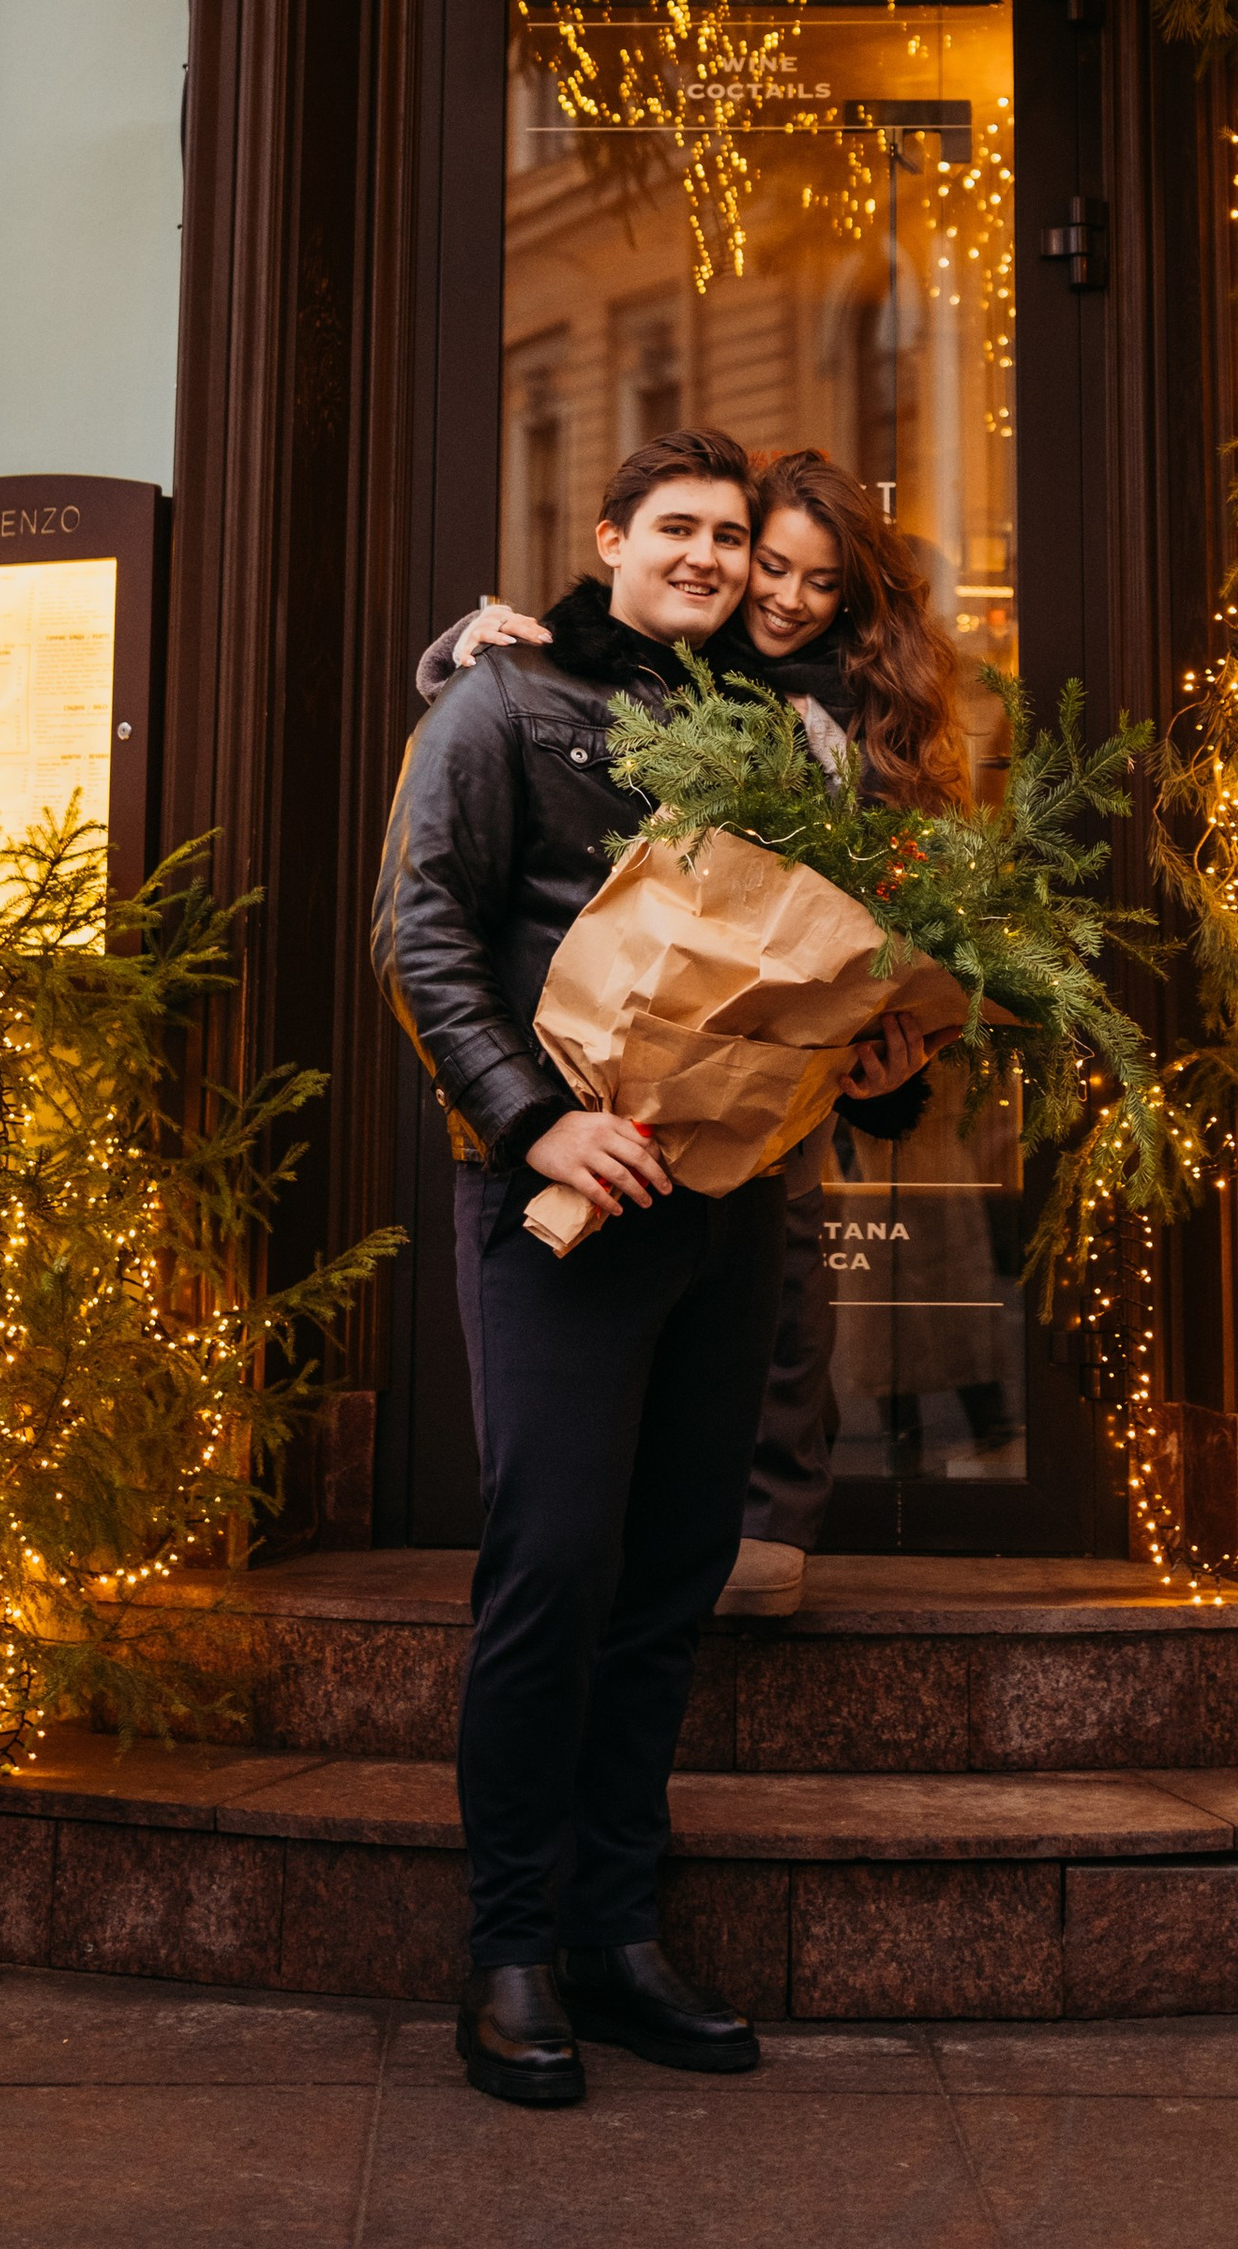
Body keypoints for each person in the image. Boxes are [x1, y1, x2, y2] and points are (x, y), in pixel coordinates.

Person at [374, 428, 934, 2108]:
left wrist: (886, 1071)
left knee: (673, 1572)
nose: (708, 557)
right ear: (608, 537)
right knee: (552, 1573)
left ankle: (618, 1937)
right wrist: (530, 1121)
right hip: (563, 1208)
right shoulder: (503, 699)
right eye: (676, 528)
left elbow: (813, 976)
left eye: (732, 537)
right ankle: (513, 1949)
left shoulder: (779, 736)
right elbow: (422, 929)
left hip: (727, 1208)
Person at [432, 444, 972, 1615]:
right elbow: (555, 694)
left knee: (777, 1284)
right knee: (564, 1519)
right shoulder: (662, 676)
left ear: (852, 599)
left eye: (814, 581)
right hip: (584, 1106)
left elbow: (884, 918)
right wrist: (464, 647)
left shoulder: (848, 722)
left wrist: (888, 1058)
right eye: (762, 559)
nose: (776, 591)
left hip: (767, 1088)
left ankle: (767, 1516)